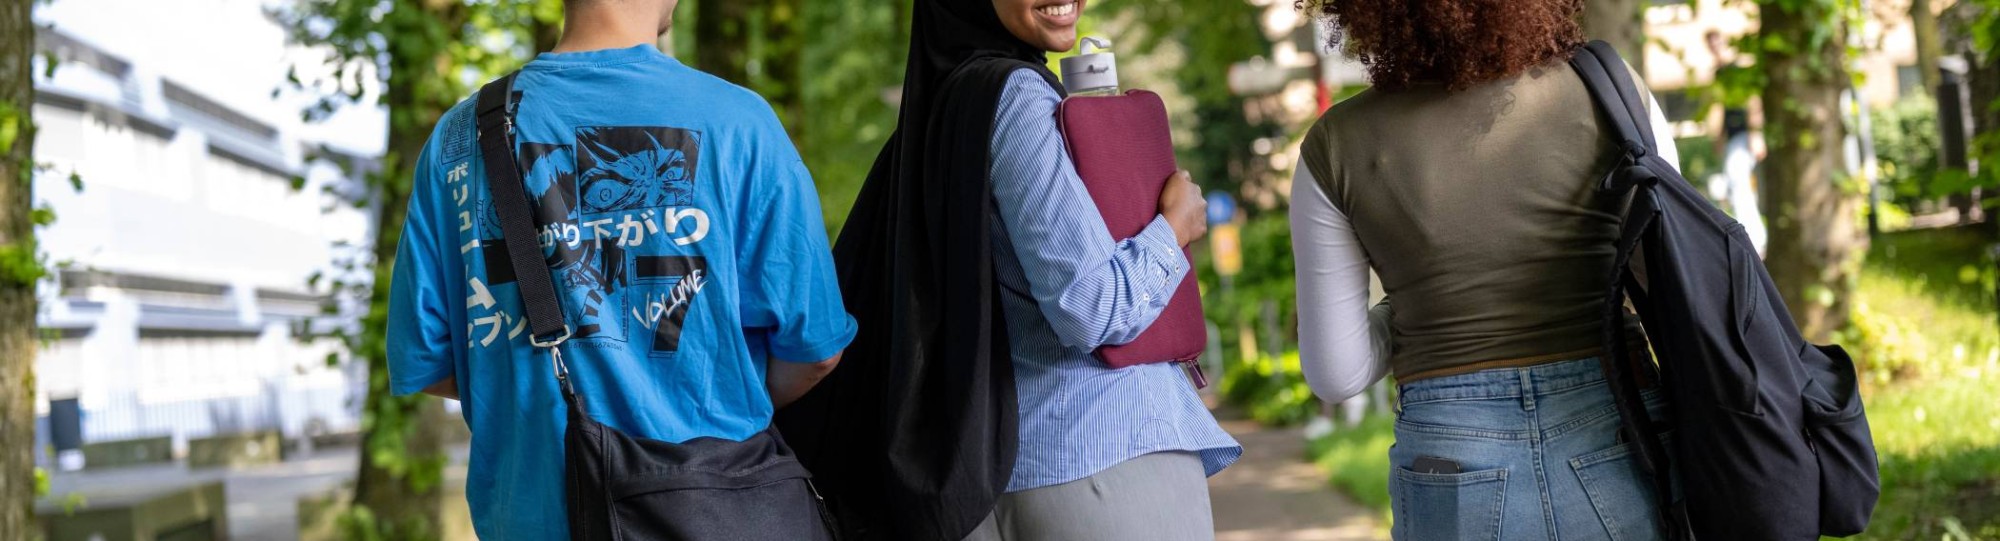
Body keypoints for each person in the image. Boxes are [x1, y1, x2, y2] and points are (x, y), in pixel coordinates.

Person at [384, 0, 856, 538]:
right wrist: (714, 403)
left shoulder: (458, 139)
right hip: (716, 509)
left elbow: (430, 359)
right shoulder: (738, 122)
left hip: (532, 520)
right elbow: (815, 351)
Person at [774, 0, 1240, 539]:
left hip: (1006, 467)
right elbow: (1092, 309)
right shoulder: (1016, 98)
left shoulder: (941, 107)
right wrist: (1173, 228)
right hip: (1107, 453)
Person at [1288, 1, 1683, 539]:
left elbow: (1336, 374)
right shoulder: (1614, 93)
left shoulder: (1334, 146)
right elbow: (1676, 288)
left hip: (1448, 452)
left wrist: (1411, 303)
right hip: (1620, 420)